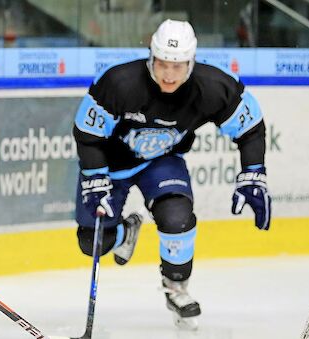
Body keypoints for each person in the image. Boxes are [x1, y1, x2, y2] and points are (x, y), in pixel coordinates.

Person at [73, 19, 271, 329]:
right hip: (111, 165)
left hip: (162, 161)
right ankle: (128, 230)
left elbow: (251, 128)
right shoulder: (120, 82)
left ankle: (176, 287)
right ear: (151, 56)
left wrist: (254, 171)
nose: (168, 74)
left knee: (177, 217)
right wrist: (96, 175)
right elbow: (87, 133)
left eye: (177, 66)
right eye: (163, 64)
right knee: (92, 243)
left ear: (191, 62)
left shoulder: (212, 87)